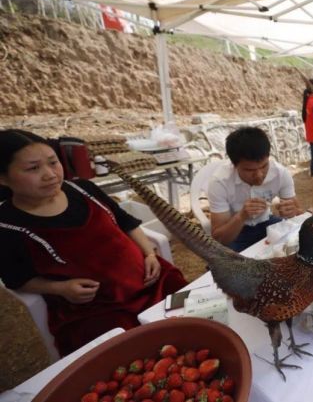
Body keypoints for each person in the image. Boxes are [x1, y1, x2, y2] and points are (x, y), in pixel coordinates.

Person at [0, 129, 188, 356]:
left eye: (53, 162)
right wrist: (60, 288)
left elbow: (126, 222)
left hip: (152, 281)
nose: (50, 174)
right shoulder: (7, 225)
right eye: (33, 168)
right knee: (132, 353)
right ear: (3, 178)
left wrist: (149, 253)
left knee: (191, 313)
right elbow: (17, 279)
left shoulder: (84, 189)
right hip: (96, 308)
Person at [208, 127, 303, 252]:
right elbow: (220, 239)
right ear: (234, 165)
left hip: (267, 222)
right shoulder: (220, 182)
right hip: (236, 231)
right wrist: (241, 216)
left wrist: (293, 211)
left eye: (264, 166)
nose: (259, 175)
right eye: (250, 170)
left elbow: (299, 214)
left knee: (299, 242)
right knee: (226, 264)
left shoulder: (280, 174)